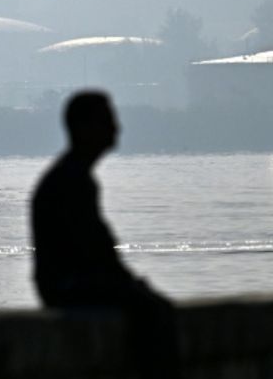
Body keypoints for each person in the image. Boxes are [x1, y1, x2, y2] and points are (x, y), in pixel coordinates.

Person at [31, 90, 178, 374]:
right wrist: (129, 285)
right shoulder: (71, 181)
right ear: (84, 128)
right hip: (68, 287)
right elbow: (93, 251)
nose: (116, 129)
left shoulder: (73, 177)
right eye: (107, 121)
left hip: (66, 284)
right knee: (154, 311)